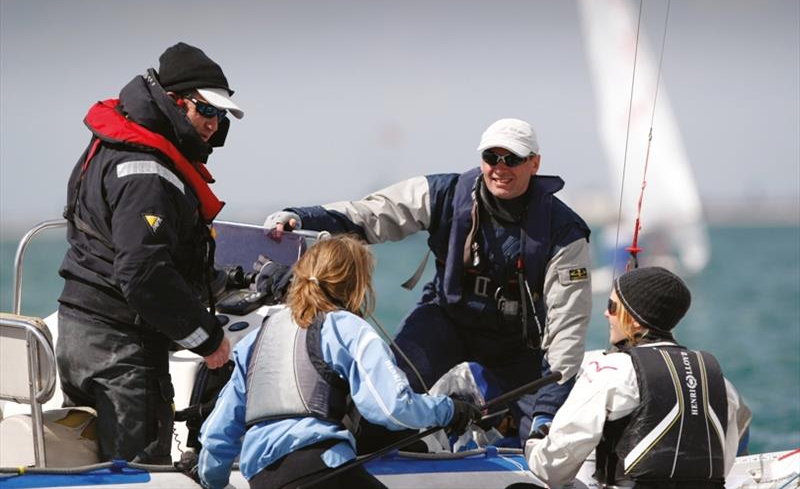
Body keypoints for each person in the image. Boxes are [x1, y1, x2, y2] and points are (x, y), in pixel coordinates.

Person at [263, 118, 592, 441]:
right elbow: (373, 213)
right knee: (382, 407)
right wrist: (302, 217)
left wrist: (547, 413)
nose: (500, 167)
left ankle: (503, 425)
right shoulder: (447, 194)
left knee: (545, 436)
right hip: (446, 321)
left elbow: (568, 328)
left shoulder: (565, 232)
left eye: (513, 159)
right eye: (492, 157)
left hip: (517, 345)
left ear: (534, 163)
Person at [56, 42, 244, 463]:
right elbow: (143, 274)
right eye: (206, 111)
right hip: (121, 349)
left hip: (76, 332)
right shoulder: (148, 171)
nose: (214, 124)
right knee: (141, 474)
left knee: (95, 469)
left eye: (222, 116)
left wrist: (215, 281)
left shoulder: (114, 143)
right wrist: (207, 339)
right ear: (177, 104)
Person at [197, 235, 480, 489]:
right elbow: (392, 408)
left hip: (263, 480)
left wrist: (212, 481)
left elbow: (215, 434)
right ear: (356, 286)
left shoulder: (255, 340)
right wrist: (449, 411)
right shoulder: (346, 328)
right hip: (321, 468)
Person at [525, 266, 747, 488]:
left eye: (612, 307)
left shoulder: (612, 370)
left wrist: (534, 444)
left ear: (635, 320)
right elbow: (723, 466)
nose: (606, 313)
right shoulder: (721, 382)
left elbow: (552, 468)